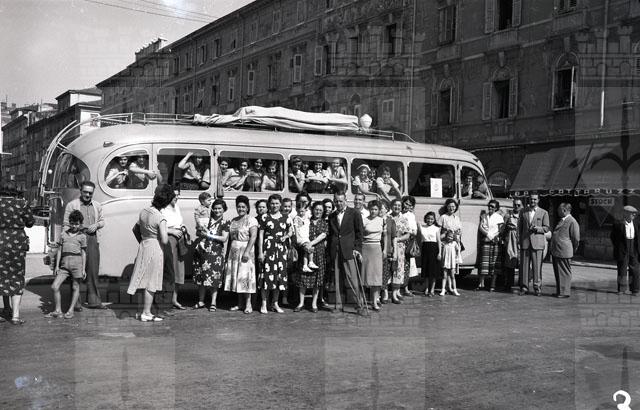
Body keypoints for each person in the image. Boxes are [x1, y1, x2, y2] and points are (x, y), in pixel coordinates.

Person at [127, 184, 171, 321]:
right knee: (151, 282)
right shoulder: (160, 217)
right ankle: (146, 313)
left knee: (142, 279)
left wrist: (144, 239)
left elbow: (135, 229)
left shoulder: (144, 211)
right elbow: (164, 240)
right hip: (155, 247)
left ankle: (141, 311)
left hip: (144, 245)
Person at [64, 181, 105, 309]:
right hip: (76, 238)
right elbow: (66, 224)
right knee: (76, 271)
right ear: (80, 191)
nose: (87, 195)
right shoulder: (72, 205)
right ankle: (75, 303)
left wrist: (96, 225)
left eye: (90, 193)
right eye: (85, 192)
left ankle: (94, 301)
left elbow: (102, 221)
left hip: (92, 238)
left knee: (92, 270)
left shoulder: (97, 205)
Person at [0, 184, 35, 325]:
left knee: (2, 275)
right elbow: (30, 222)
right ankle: (15, 316)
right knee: (16, 276)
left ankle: (5, 309)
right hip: (17, 243)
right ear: (15, 191)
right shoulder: (22, 203)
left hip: (0, 241)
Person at [327, 191, 366, 314]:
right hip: (336, 250)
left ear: (345, 200)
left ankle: (359, 304)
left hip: (349, 250)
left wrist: (357, 249)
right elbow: (331, 234)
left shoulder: (354, 213)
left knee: (352, 278)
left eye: (341, 201)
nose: (338, 203)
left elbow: (359, 233)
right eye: (336, 201)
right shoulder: (331, 216)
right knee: (337, 278)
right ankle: (338, 305)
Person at [48, 210, 86, 319]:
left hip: (77, 264)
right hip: (64, 265)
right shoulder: (63, 234)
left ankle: (70, 310)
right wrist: (56, 266)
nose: (74, 226)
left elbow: (84, 253)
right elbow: (59, 250)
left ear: (80, 224)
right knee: (55, 286)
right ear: (69, 222)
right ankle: (58, 310)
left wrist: (83, 269)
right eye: (72, 223)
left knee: (75, 286)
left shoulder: (82, 236)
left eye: (77, 224)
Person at [192, 199, 229, 311]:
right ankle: (201, 301)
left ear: (224, 210)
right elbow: (198, 232)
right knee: (202, 277)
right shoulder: (207, 220)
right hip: (203, 251)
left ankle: (213, 302)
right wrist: (201, 231)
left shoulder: (225, 222)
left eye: (220, 208)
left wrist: (210, 235)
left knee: (214, 278)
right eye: (215, 208)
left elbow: (224, 238)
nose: (217, 211)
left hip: (215, 253)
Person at [258, 194, 292, 314]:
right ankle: (264, 303)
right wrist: (260, 252)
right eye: (272, 203)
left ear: (280, 204)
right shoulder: (265, 217)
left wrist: (286, 237)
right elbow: (261, 235)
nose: (274, 205)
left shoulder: (286, 217)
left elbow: (291, 231)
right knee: (266, 276)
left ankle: (275, 303)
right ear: (269, 204)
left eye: (277, 203)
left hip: (281, 250)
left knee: (278, 277)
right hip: (268, 248)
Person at [224, 195, 258, 313]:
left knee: (245, 277)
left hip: (245, 250)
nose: (241, 209)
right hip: (234, 251)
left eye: (243, 207)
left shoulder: (251, 220)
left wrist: (247, 251)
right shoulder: (234, 220)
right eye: (239, 206)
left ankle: (248, 304)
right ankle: (239, 304)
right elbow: (230, 239)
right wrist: (227, 255)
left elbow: (253, 237)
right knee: (236, 277)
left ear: (247, 208)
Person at [293, 201, 328, 313]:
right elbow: (299, 231)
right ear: (313, 210)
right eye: (316, 209)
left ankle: (314, 303)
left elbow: (323, 235)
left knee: (317, 279)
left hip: (318, 251)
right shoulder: (307, 220)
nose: (318, 212)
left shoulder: (324, 223)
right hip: (305, 251)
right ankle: (301, 303)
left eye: (320, 210)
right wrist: (304, 245)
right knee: (303, 277)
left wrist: (311, 244)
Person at [517, 193, 549, 296]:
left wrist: (537, 229)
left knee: (537, 267)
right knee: (524, 267)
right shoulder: (523, 212)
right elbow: (519, 228)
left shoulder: (544, 213)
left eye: (535, 199)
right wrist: (519, 241)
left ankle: (537, 288)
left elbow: (546, 228)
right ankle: (524, 287)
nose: (532, 201)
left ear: (538, 200)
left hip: (537, 243)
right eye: (531, 199)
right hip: (525, 242)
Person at [161, 186, 187, 310]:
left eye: (178, 195)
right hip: (169, 239)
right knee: (169, 269)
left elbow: (179, 222)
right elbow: (159, 227)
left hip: (179, 240)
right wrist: (171, 231)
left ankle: (174, 300)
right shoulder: (162, 209)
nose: (177, 197)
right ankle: (164, 301)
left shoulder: (176, 207)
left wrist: (182, 227)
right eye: (174, 195)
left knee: (178, 270)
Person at [550, 203, 580, 298]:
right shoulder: (562, 220)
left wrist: (572, 248)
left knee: (564, 272)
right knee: (558, 272)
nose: (557, 211)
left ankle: (565, 292)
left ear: (564, 210)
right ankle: (560, 291)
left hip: (564, 251)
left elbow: (576, 238)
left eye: (559, 209)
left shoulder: (572, 221)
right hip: (557, 250)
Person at [610, 205, 640, 295]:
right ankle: (621, 289)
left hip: (633, 248)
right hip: (623, 248)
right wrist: (618, 247)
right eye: (632, 213)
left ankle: (635, 289)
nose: (634, 215)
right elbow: (613, 237)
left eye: (635, 214)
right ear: (626, 214)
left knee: (635, 270)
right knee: (622, 269)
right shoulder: (618, 224)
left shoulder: (636, 224)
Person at [361, 200, 385, 311]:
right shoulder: (364, 220)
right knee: (364, 275)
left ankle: (375, 301)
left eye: (376, 209)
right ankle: (362, 301)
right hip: (366, 248)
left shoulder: (382, 220)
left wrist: (385, 250)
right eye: (371, 209)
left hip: (377, 248)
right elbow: (360, 235)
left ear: (379, 210)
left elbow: (385, 236)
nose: (373, 211)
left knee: (376, 276)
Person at [477, 200, 504, 292]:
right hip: (486, 240)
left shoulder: (499, 217)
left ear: (496, 208)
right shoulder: (484, 216)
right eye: (489, 206)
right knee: (484, 263)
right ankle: (481, 284)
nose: (490, 208)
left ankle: (492, 285)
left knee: (494, 264)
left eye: (492, 206)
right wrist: (488, 235)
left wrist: (493, 236)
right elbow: (480, 227)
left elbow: (501, 230)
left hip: (495, 242)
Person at [389, 199, 410, 304]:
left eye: (399, 205)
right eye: (395, 205)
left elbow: (407, 234)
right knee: (389, 269)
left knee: (398, 269)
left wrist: (398, 239)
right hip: (389, 247)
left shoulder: (404, 219)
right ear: (391, 206)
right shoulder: (387, 218)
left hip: (400, 248)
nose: (397, 207)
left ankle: (395, 293)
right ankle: (388, 293)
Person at [502, 198, 523, 292]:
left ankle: (522, 284)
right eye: (515, 205)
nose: (516, 206)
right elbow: (503, 228)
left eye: (519, 205)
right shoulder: (508, 215)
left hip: (520, 240)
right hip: (511, 239)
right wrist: (504, 239)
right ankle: (508, 284)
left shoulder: (523, 216)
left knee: (521, 263)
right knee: (510, 263)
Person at [293, 200, 319, 273]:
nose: (301, 213)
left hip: (306, 237)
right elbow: (295, 228)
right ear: (297, 210)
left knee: (306, 251)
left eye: (302, 211)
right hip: (301, 237)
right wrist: (297, 237)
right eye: (299, 211)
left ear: (305, 211)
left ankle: (305, 265)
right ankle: (310, 262)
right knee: (309, 247)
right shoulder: (297, 218)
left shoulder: (306, 217)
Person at [419, 211, 441, 297]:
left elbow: (439, 241)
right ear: (426, 219)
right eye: (428, 218)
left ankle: (432, 289)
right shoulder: (422, 227)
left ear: (434, 220)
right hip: (425, 249)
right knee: (426, 270)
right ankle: (427, 288)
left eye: (432, 219)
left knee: (433, 271)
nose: (430, 220)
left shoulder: (436, 228)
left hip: (434, 249)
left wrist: (439, 253)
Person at [380, 201, 397, 304]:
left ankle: (385, 293)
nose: (380, 210)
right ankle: (381, 293)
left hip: (388, 250)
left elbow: (394, 237)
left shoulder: (391, 221)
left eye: (382, 208)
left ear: (386, 209)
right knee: (380, 272)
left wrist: (395, 251)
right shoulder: (376, 220)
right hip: (377, 250)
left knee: (386, 272)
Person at [402, 195, 418, 296]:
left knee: (407, 265)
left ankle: (405, 288)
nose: (407, 206)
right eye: (406, 203)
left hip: (408, 242)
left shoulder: (411, 215)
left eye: (409, 205)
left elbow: (415, 231)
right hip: (398, 241)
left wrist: (408, 232)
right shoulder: (397, 212)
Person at [440, 229, 461, 296]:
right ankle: (443, 290)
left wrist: (456, 257)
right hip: (445, 262)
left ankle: (455, 289)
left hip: (452, 262)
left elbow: (458, 250)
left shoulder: (454, 243)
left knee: (452, 276)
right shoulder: (443, 243)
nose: (450, 238)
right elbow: (439, 240)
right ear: (446, 236)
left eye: (451, 237)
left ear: (453, 238)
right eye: (448, 236)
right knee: (444, 276)